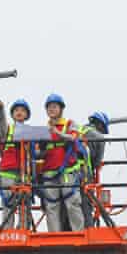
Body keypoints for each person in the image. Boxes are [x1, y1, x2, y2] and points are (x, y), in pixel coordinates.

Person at [40, 93, 85, 232]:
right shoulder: (43, 130)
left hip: (67, 170)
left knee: (72, 202)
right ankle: (54, 236)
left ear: (61, 109)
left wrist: (57, 133)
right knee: (51, 206)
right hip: (49, 171)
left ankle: (79, 233)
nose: (52, 109)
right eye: (49, 107)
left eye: (54, 107)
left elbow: (74, 138)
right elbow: (37, 153)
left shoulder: (70, 124)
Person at [0, 97, 31, 228]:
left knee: (24, 206)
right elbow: (1, 122)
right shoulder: (8, 130)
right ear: (12, 114)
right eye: (16, 110)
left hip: (24, 174)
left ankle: (22, 230)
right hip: (8, 173)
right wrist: (0, 109)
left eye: (22, 110)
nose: (19, 112)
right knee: (8, 205)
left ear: (27, 115)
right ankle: (7, 232)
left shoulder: (31, 132)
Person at [76, 111, 110, 226]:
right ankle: (88, 229)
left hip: (68, 174)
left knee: (71, 204)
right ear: (100, 124)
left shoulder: (76, 131)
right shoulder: (99, 137)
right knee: (86, 204)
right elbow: (97, 163)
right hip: (85, 174)